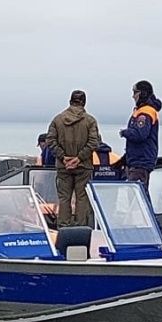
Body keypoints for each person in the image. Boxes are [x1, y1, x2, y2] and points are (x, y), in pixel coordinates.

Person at [45, 90, 99, 228]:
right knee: (82, 198)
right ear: (84, 102)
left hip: (63, 166)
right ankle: (81, 229)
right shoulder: (90, 121)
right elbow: (94, 142)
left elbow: (50, 141)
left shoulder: (57, 120)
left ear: (70, 101)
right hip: (84, 166)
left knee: (64, 198)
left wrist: (63, 157)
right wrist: (79, 158)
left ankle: (63, 227)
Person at [119, 80, 161, 193]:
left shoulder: (145, 112)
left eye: (135, 92)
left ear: (142, 93)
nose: (133, 96)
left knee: (136, 196)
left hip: (140, 161)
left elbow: (140, 134)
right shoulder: (142, 111)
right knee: (139, 194)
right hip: (137, 160)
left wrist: (125, 133)